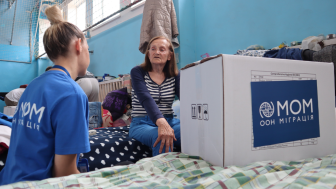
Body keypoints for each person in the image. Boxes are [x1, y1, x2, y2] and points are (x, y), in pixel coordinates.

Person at [0, 5, 90, 185]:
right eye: (88, 44)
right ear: (79, 45)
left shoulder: (33, 86)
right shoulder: (72, 94)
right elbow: (64, 173)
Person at [129, 36, 180, 156]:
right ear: (148, 54)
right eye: (153, 49)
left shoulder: (175, 76)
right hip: (141, 123)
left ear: (169, 56)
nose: (156, 52)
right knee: (161, 135)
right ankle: (162, 173)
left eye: (162, 49)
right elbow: (145, 98)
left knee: (194, 132)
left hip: (170, 120)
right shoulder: (137, 72)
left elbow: (186, 98)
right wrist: (162, 123)